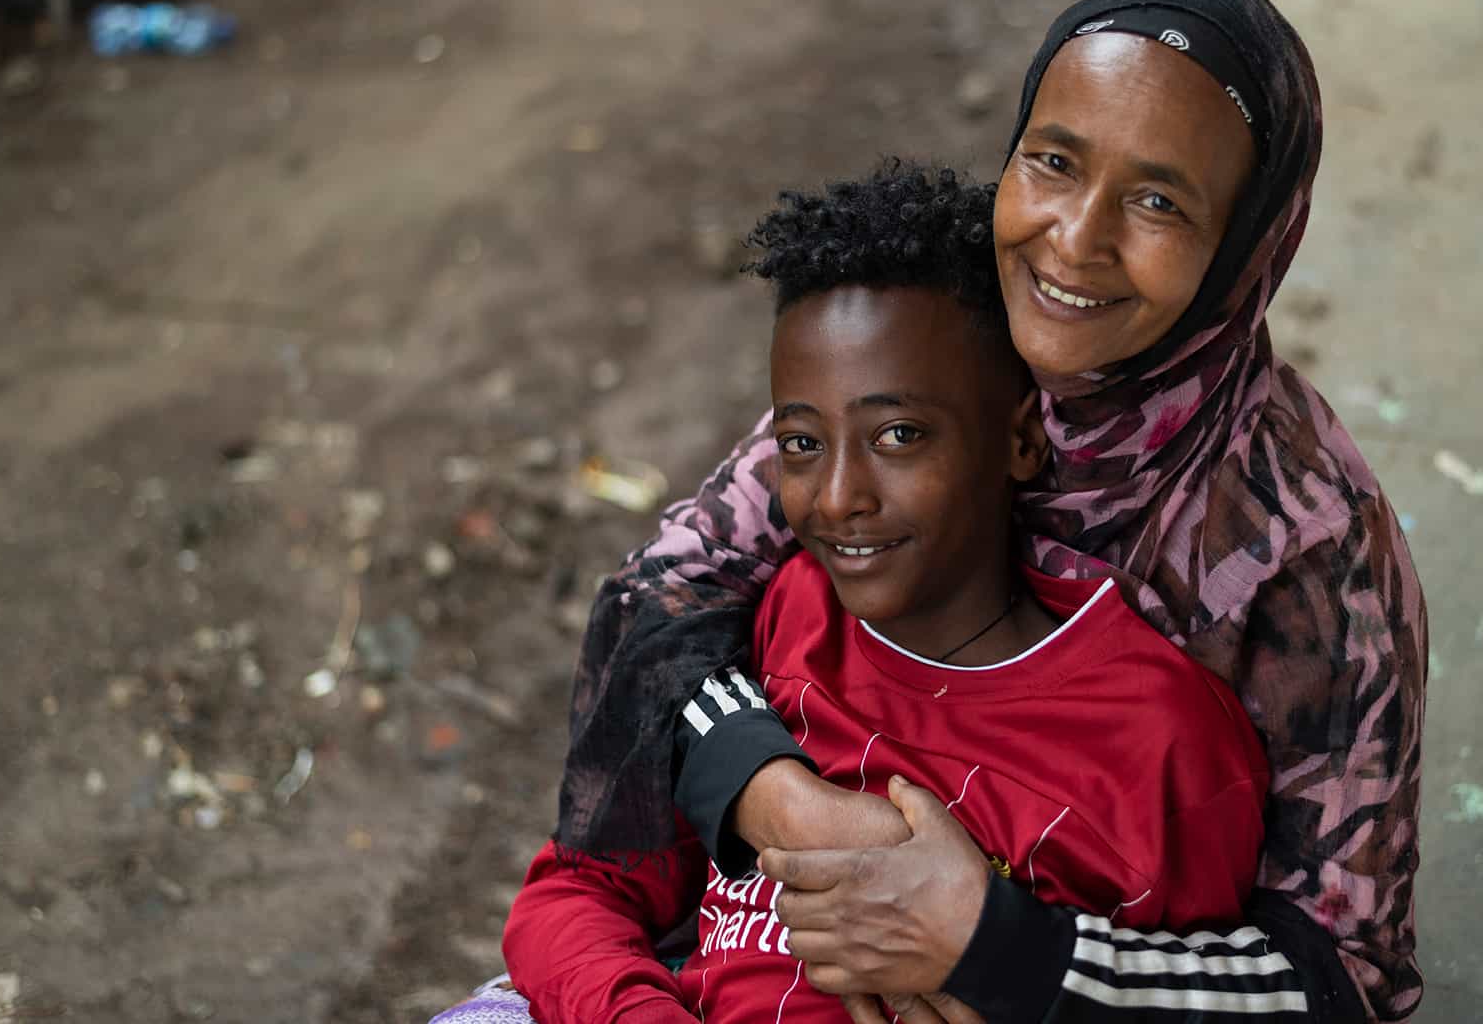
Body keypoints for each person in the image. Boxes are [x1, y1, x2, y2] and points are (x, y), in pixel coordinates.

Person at [554, 0, 1426, 1024]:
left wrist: (997, 945)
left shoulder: (1304, 547)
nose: (1072, 239)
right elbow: (656, 609)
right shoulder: (934, 349)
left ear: (1246, 244)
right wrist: (781, 801)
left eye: (1157, 200)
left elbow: (1345, 976)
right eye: (1052, 162)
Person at [496, 164, 1270, 1024]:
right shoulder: (778, 619)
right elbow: (579, 891)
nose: (836, 498)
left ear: (1018, 441)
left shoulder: (1154, 741)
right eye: (799, 442)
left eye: (898, 435)